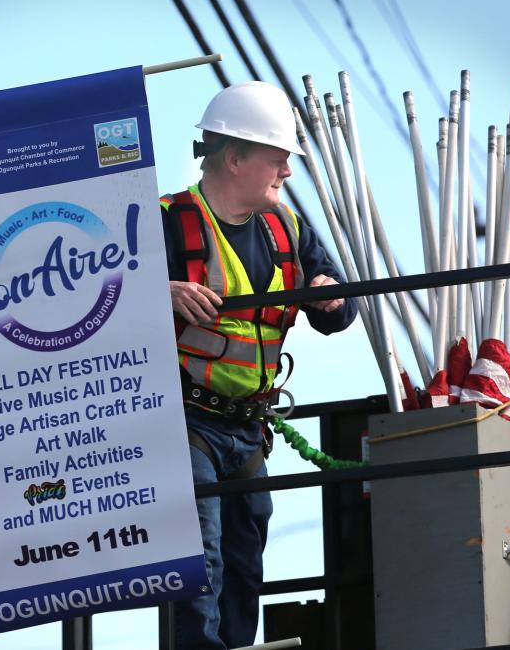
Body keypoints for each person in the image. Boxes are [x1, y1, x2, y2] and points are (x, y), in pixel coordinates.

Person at [160, 81, 357, 649]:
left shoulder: (287, 231)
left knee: (244, 559)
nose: (287, 173)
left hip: (248, 429)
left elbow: (339, 310)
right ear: (235, 158)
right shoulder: (165, 222)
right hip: (184, 422)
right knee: (200, 555)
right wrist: (159, 291)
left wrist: (331, 294)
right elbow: (102, 303)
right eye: (279, 159)